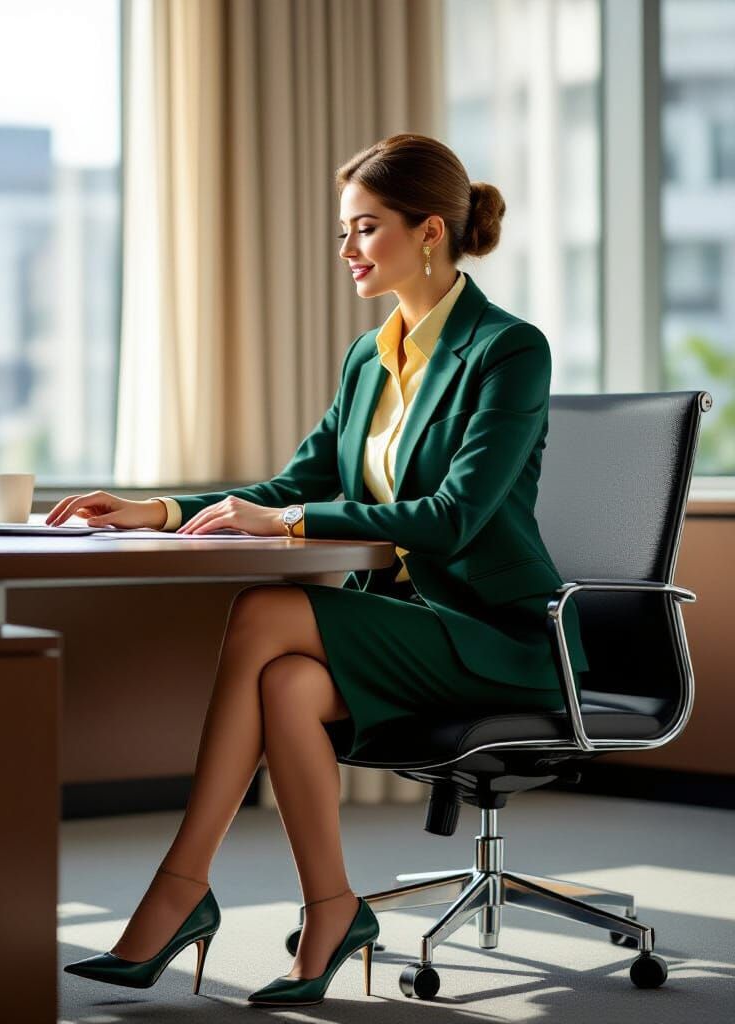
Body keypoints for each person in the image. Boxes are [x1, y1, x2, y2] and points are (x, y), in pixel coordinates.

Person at [50, 132, 588, 1007]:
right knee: (290, 687)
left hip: (501, 636)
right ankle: (332, 910)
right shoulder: (370, 357)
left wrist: (293, 519)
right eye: (343, 230)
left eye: (364, 228)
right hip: (408, 625)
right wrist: (159, 510)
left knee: (267, 609)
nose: (345, 251)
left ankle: (180, 888)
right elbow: (293, 482)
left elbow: (453, 517)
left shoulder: (508, 350)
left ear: (429, 231)